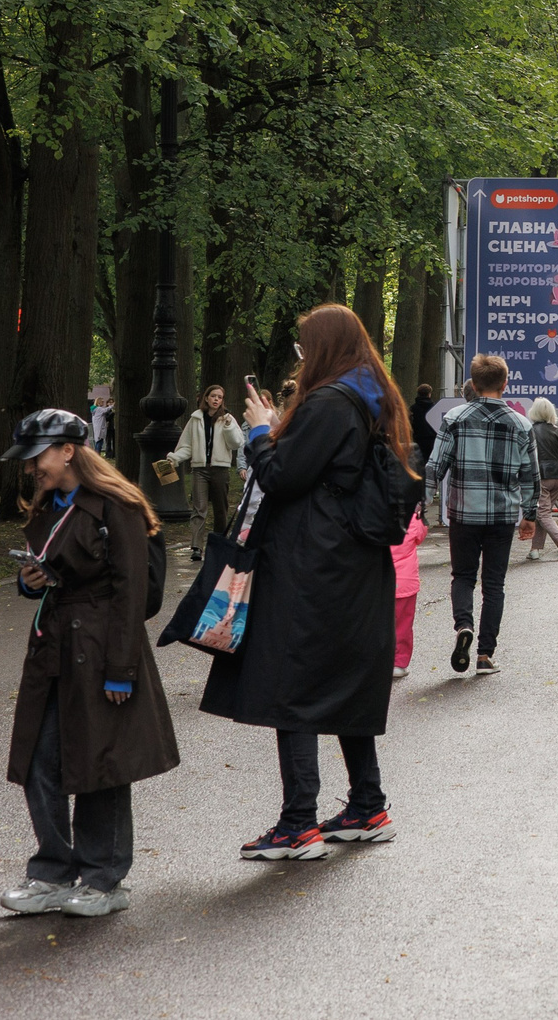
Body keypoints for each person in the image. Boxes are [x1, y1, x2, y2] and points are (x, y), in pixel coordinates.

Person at [205, 303, 408, 859]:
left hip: (311, 564)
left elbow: (282, 476)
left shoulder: (328, 401)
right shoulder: (370, 397)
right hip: (354, 563)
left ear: (324, 348)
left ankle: (299, 823)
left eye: (303, 347)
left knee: (290, 684)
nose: (300, 356)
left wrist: (260, 434)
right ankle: (368, 805)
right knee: (343, 683)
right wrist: (281, 425)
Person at [0, 409, 180, 918]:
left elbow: (132, 594)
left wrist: (121, 668)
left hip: (103, 650)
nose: (32, 468)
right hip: (53, 648)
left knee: (102, 763)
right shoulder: (47, 504)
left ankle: (105, 878)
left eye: (39, 458)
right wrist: (29, 581)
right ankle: (52, 872)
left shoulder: (116, 506)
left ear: (68, 450)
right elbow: (51, 568)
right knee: (40, 760)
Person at [424, 354, 536, 674]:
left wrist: (421, 504)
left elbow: (435, 466)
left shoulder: (455, 419)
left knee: (463, 576)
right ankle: (485, 655)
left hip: (463, 512)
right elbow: (530, 475)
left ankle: (463, 626)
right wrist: (529, 514)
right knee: (494, 584)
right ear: (505, 384)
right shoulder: (521, 424)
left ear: (472, 384)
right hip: (502, 515)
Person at [174, 384, 245, 540]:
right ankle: (196, 546)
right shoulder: (196, 418)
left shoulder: (227, 418)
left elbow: (236, 443)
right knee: (199, 509)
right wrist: (175, 458)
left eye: (219, 397)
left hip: (220, 469)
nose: (216, 399)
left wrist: (228, 427)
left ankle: (218, 541)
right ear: (206, 398)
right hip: (200, 470)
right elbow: (187, 445)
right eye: (213, 396)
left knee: (221, 509)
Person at [526, 397, 558, 560]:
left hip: (541, 476)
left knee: (542, 513)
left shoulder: (530, 431)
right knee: (543, 513)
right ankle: (535, 549)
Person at [389, 511, 425, 679]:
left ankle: (379, 659)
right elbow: (421, 534)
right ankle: (399, 662)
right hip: (405, 581)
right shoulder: (411, 516)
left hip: (381, 579)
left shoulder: (376, 513)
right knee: (403, 624)